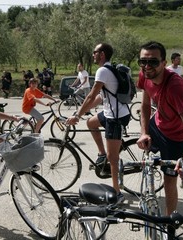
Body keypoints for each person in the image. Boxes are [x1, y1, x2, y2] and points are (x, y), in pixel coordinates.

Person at [136, 41, 183, 239]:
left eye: (153, 62)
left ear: (164, 63)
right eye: (143, 61)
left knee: (169, 180)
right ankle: (149, 168)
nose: (147, 66)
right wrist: (144, 132)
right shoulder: (144, 75)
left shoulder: (175, 86)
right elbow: (145, 106)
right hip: (158, 124)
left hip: (176, 137)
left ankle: (170, 227)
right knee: (146, 147)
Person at [66, 43, 131, 204]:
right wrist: (81, 114)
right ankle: (102, 154)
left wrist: (77, 115)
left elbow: (90, 96)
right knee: (91, 122)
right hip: (111, 113)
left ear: (102, 54)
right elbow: (100, 97)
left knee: (113, 158)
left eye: (94, 52)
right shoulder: (109, 70)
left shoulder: (103, 70)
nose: (93, 55)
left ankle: (117, 193)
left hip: (115, 118)